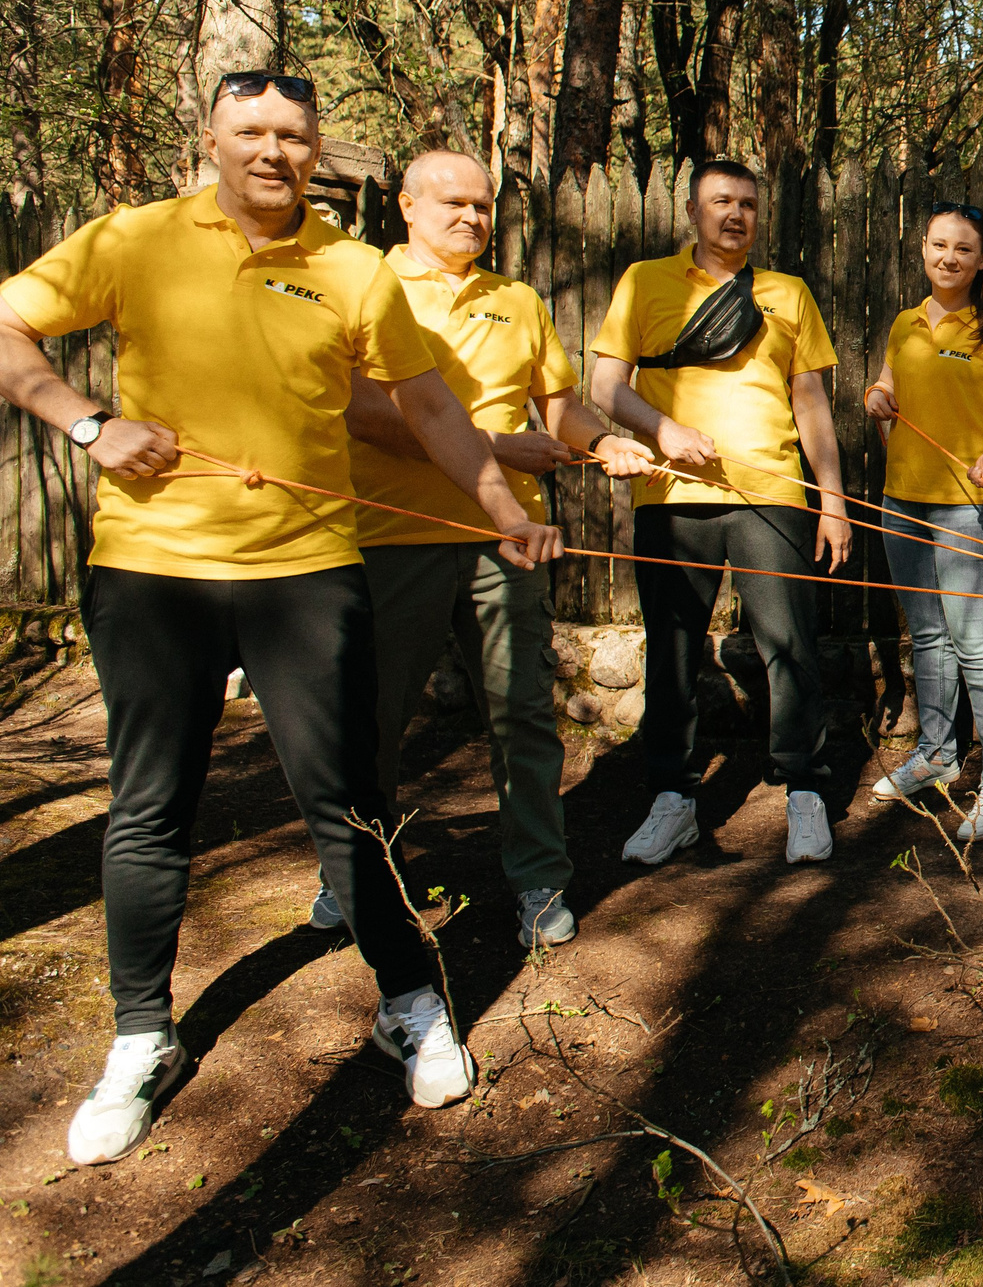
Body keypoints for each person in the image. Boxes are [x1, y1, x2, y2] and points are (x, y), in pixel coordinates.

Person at [0, 72, 564, 1164]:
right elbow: (10, 324)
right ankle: (139, 1037)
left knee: (346, 802)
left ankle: (409, 1000)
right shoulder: (133, 240)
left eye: (294, 137)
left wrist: (498, 508)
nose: (273, 152)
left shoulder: (352, 269)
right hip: (152, 573)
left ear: (317, 153)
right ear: (209, 137)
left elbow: (428, 404)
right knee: (151, 805)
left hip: (307, 572)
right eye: (251, 132)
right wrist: (84, 423)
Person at [313, 151, 655, 950]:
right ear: (405, 204)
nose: (471, 217)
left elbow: (560, 405)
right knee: (374, 719)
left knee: (523, 717)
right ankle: (352, 875)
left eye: (483, 204)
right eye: (453, 202)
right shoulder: (365, 283)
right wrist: (500, 450)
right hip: (393, 536)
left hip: (509, 540)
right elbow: (366, 414)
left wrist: (604, 441)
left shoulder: (518, 299)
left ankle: (538, 875)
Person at [592, 158, 851, 867]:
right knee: (672, 647)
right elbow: (605, 385)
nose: (735, 214)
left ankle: (804, 788)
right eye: (720, 201)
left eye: (746, 203)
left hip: (773, 494)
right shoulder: (644, 282)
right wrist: (662, 429)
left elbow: (812, 404)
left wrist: (832, 501)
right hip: (671, 497)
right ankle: (673, 798)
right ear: (692, 211)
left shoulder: (788, 292)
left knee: (790, 645)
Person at [863, 201, 983, 843]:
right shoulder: (905, 323)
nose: (949, 257)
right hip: (902, 500)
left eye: (963, 248)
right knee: (928, 637)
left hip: (972, 504)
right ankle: (937, 753)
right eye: (939, 245)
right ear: (924, 249)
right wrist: (881, 401)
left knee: (977, 645)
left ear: (982, 257)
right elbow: (888, 396)